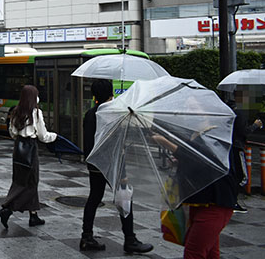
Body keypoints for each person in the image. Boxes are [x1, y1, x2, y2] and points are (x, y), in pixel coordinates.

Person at [80, 79, 153, 254]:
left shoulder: (90, 113)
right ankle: (130, 240)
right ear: (111, 92)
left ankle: (86, 236)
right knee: (124, 198)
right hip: (114, 163)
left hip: (94, 163)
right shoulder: (113, 112)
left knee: (94, 198)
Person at [152, 125, 238, 259]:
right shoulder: (198, 132)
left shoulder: (216, 133)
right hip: (198, 202)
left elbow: (204, 160)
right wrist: (178, 162)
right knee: (210, 253)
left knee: (193, 253)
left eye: (194, 105)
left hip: (215, 203)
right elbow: (195, 165)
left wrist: (166, 143)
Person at [0, 85, 56, 228]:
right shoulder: (36, 113)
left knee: (20, 180)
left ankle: (33, 215)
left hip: (18, 149)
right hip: (31, 148)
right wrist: (54, 137)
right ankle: (7, 209)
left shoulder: (16, 111)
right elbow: (43, 135)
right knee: (31, 181)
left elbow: (12, 133)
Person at [230, 87, 264, 213]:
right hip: (238, 146)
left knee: (234, 174)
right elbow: (244, 132)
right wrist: (256, 125)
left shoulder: (231, 108)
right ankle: (232, 200)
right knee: (241, 177)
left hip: (230, 145)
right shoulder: (241, 112)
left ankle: (231, 200)